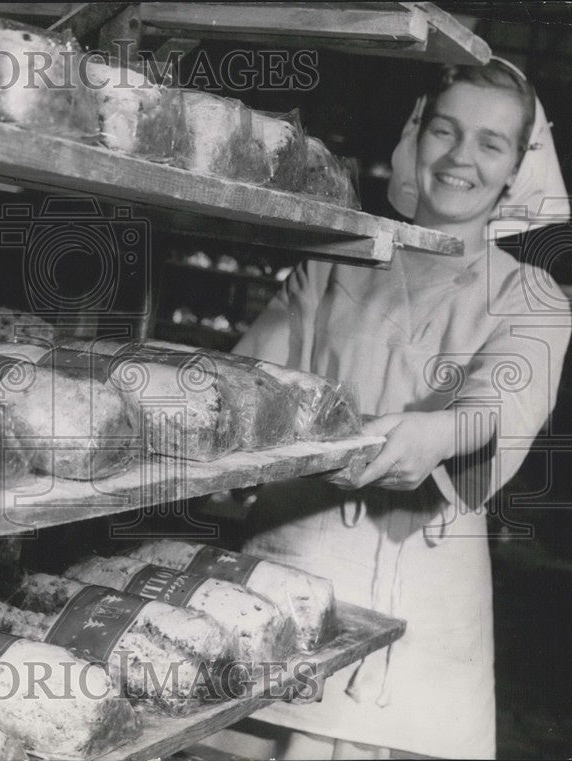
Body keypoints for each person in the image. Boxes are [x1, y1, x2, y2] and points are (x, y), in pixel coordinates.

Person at [228, 58, 571, 759]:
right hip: (287, 572)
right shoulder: (336, 259)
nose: (460, 158)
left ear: (516, 168)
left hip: (420, 603)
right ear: (416, 136)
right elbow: (243, 386)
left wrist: (435, 431)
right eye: (445, 131)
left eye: (489, 143)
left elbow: (501, 399)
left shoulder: (531, 296)